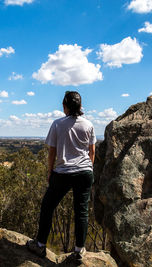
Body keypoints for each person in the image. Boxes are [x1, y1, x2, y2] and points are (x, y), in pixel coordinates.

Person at [26, 91, 96, 261]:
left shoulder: (58, 124)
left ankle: (40, 245)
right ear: (80, 107)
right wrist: (87, 169)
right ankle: (79, 251)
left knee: (47, 206)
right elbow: (92, 152)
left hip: (63, 173)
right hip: (85, 172)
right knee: (81, 211)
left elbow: (52, 152)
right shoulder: (88, 125)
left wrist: (50, 172)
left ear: (65, 106)